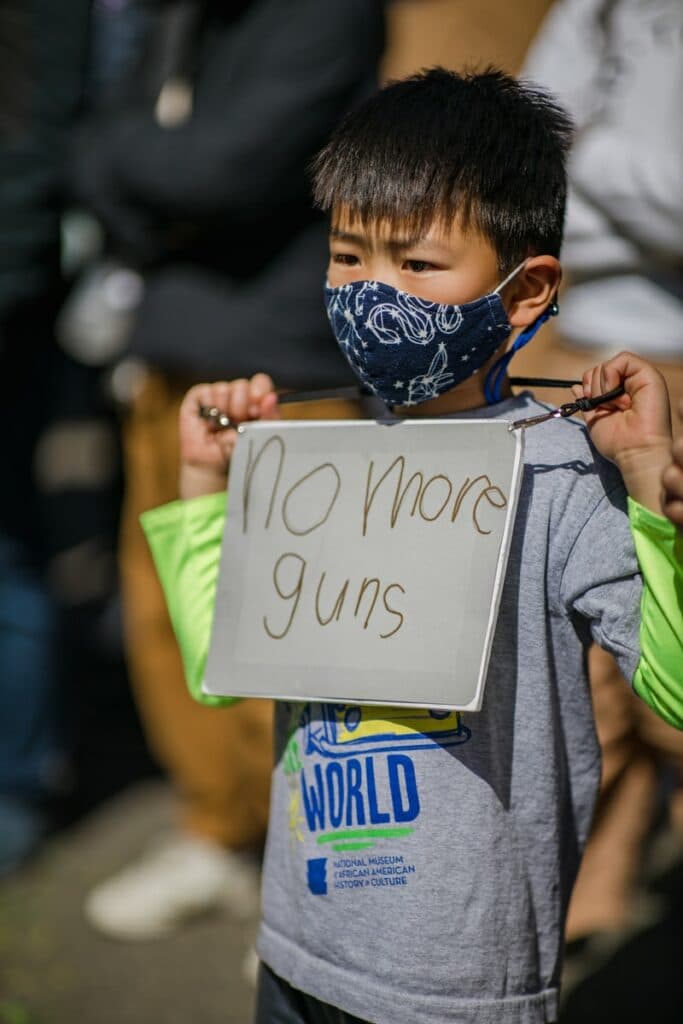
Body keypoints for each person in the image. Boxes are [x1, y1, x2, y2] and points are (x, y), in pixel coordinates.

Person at [140, 69, 683, 1023]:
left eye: (419, 265)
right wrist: (202, 490)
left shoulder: (560, 478)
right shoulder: (322, 461)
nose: (371, 294)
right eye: (348, 258)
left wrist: (646, 492)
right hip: (296, 947)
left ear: (527, 293)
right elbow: (223, 670)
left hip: (458, 987)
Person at [73, 0, 386, 940]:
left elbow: (220, 170)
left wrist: (137, 173)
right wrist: (145, 175)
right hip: (165, 348)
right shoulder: (183, 18)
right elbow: (89, 148)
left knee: (300, 640)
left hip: (286, 371)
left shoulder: (322, 15)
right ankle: (215, 834)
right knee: (168, 608)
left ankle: (325, 890)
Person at [517, 0, 683, 943]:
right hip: (586, 335)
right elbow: (530, 130)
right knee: (595, 650)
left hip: (662, 341)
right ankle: (605, 860)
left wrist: (582, 156)